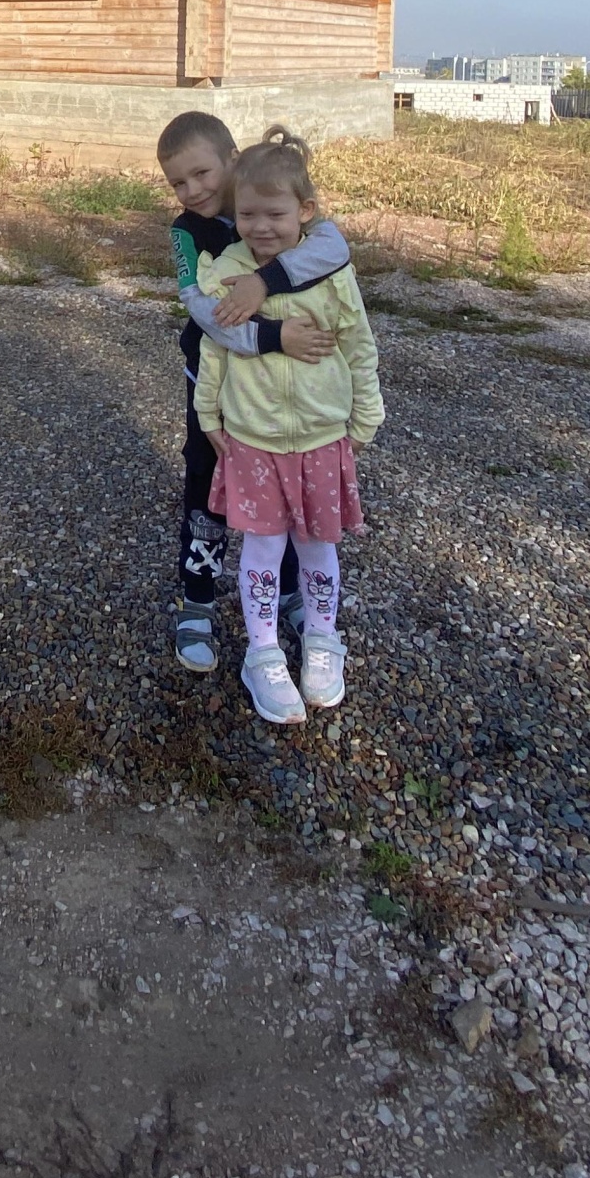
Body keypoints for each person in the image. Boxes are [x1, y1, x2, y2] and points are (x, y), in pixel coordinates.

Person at [194, 125, 384, 726]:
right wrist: (208, 413)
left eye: (275, 213)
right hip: (252, 438)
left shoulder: (329, 268)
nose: (261, 226)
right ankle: (262, 652)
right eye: (248, 214)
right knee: (263, 546)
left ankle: (324, 641)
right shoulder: (226, 270)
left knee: (318, 544)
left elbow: (358, 343)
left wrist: (366, 412)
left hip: (323, 437)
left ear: (305, 212)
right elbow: (216, 346)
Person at [157, 110, 349, 673]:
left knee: (285, 491)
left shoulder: (266, 206)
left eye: (201, 173)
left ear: (232, 160)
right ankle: (197, 600)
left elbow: (335, 246)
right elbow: (202, 308)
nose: (192, 191)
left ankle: (289, 591)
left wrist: (266, 281)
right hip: (215, 389)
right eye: (178, 182)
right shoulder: (186, 233)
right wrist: (274, 336)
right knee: (206, 489)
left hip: (281, 397)